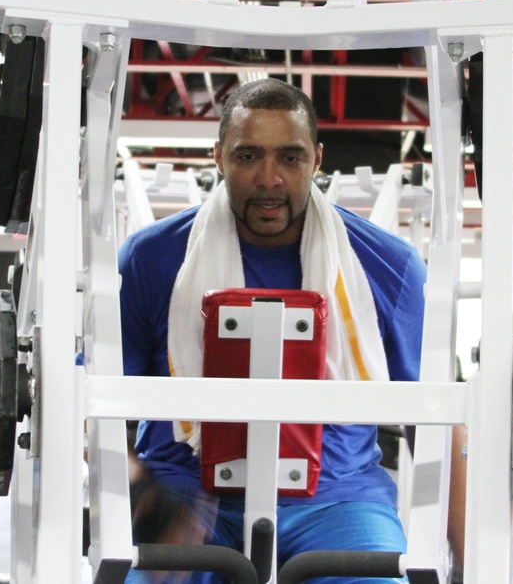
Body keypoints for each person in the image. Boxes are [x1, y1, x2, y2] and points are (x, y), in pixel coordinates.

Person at [117, 78, 426, 583]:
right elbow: (93, 405)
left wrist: (467, 564)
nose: (269, 178)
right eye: (247, 157)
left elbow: (436, 422)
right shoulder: (150, 259)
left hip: (338, 499)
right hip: (187, 492)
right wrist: (145, 497)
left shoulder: (390, 267)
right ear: (218, 157)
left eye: (289, 157)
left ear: (317, 159)